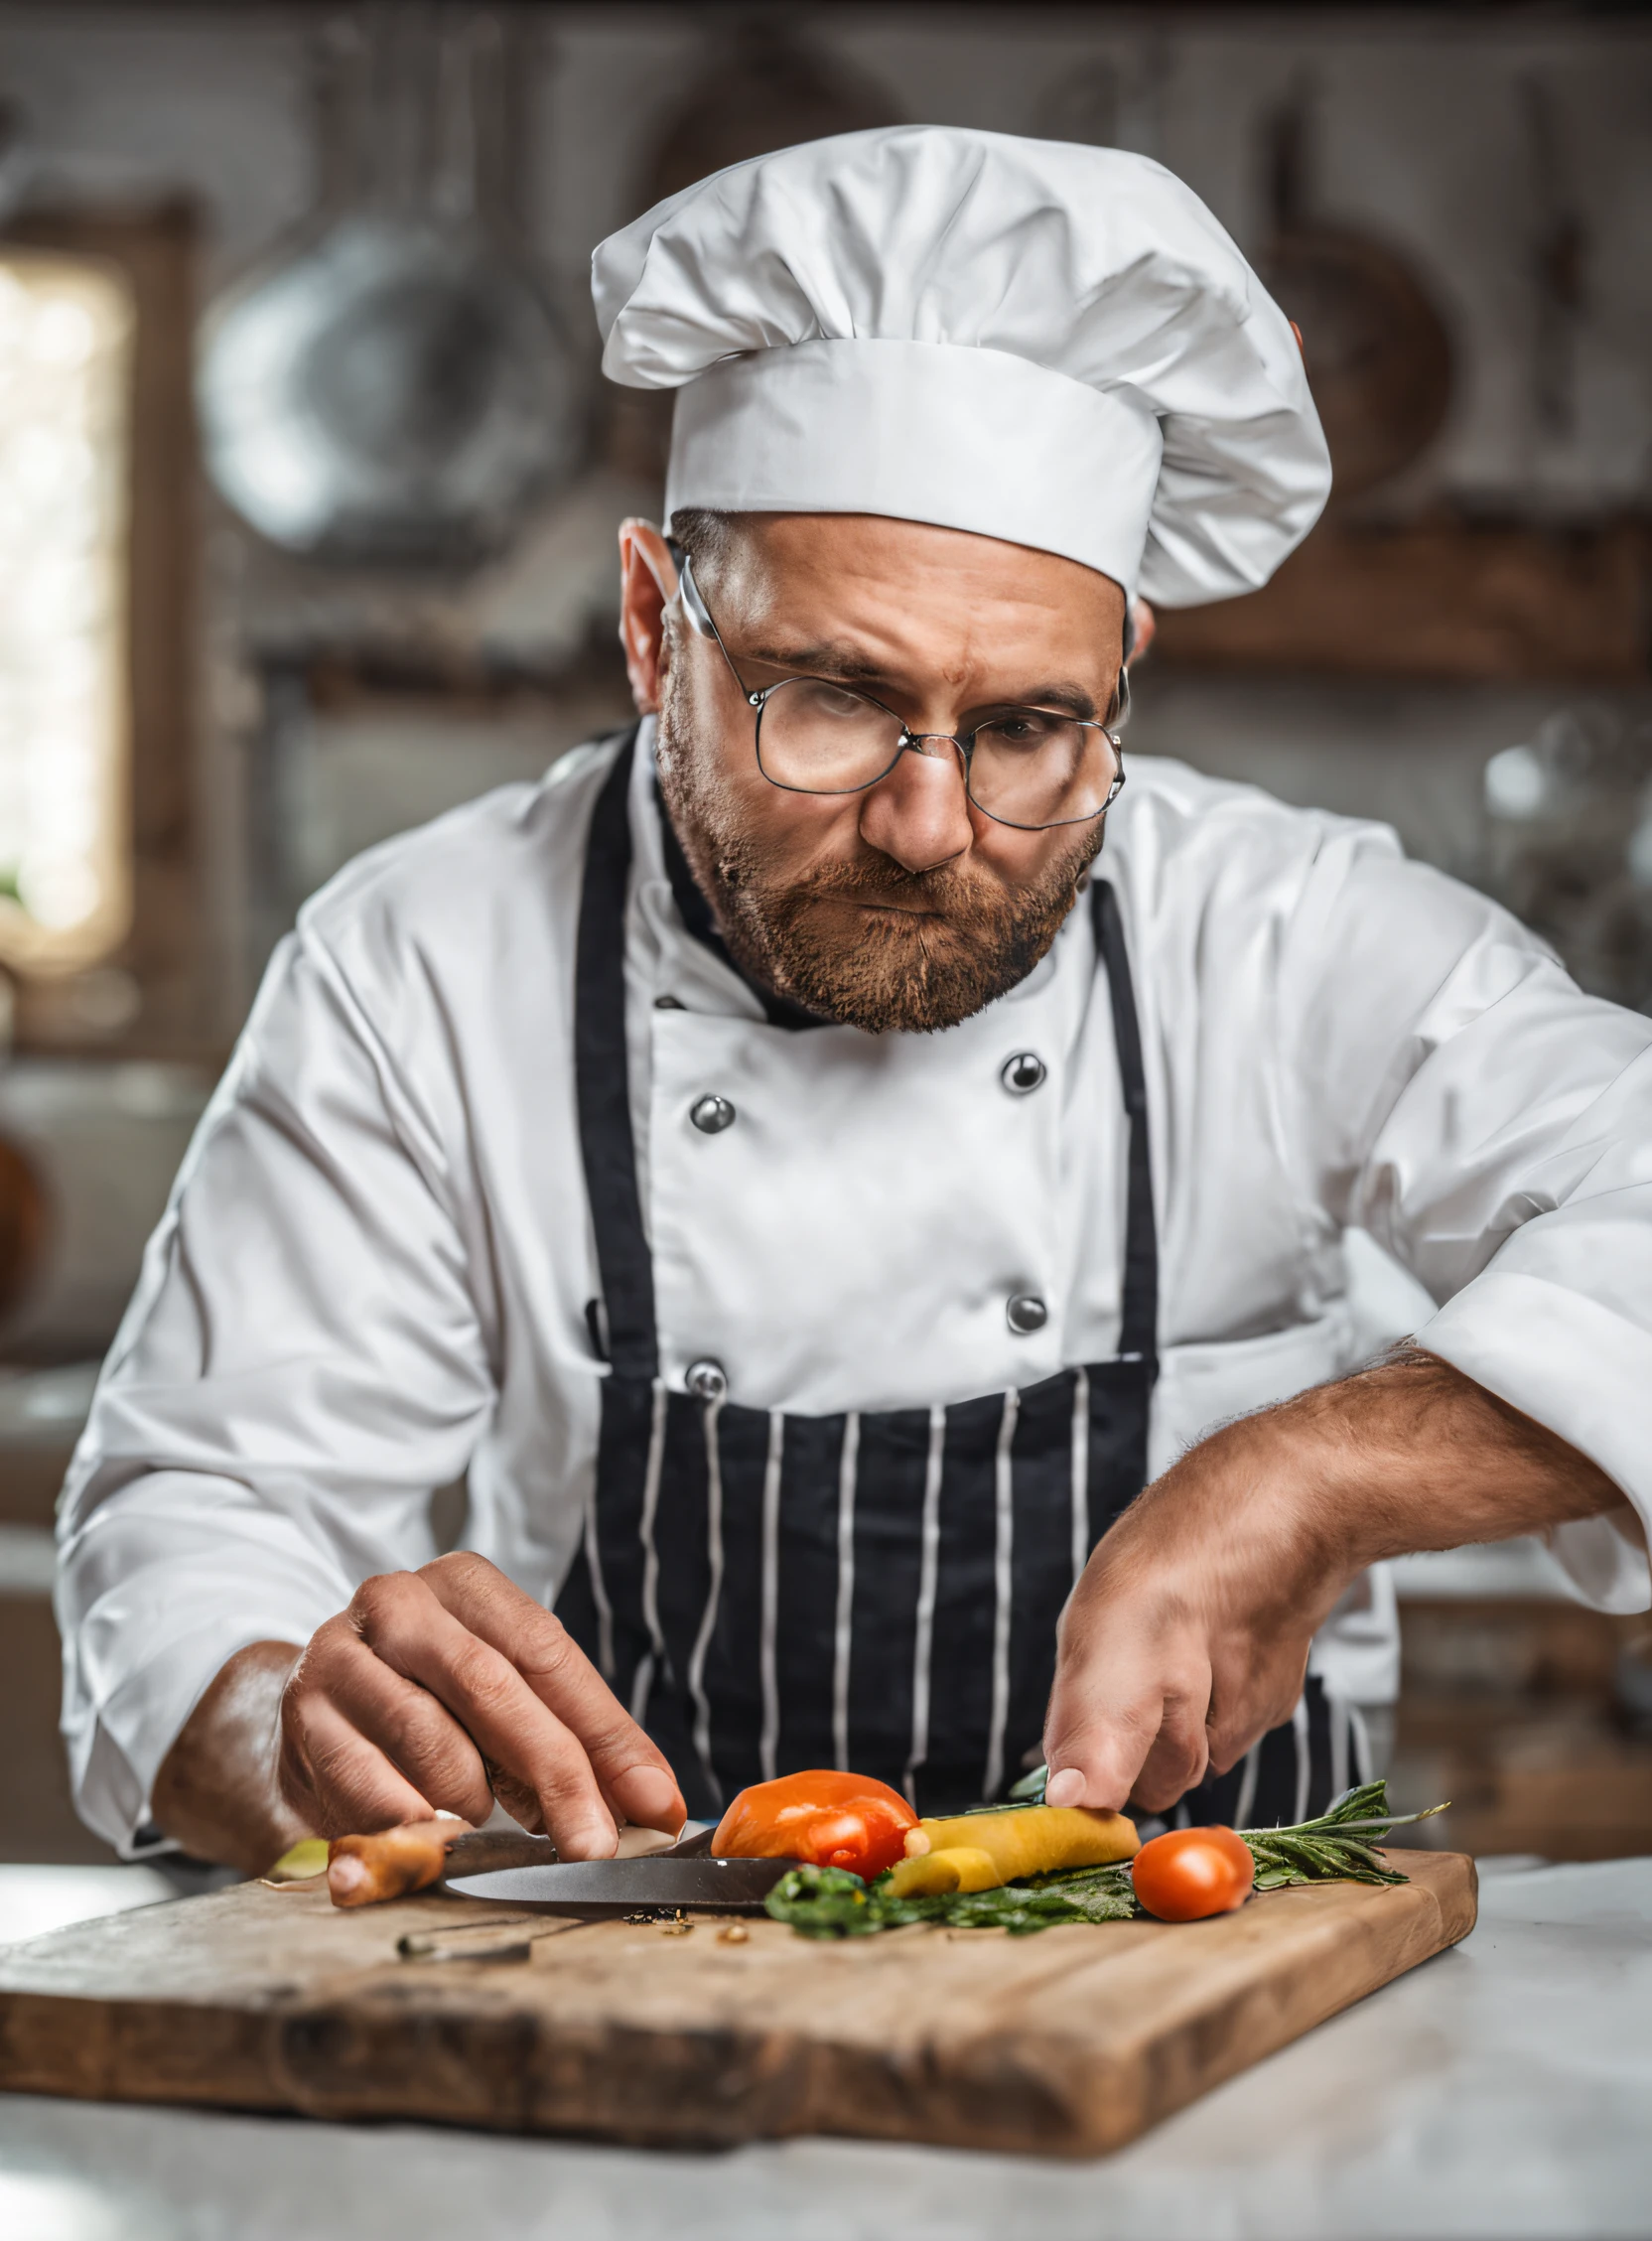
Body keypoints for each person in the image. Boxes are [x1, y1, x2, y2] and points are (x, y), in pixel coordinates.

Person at [59, 129, 1648, 1876]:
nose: (930, 822)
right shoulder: (419, 963)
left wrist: (1315, 1472)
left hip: (1218, 2019)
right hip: (636, 2015)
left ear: (1121, 684)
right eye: (831, 699)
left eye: (1032, 727)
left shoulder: (1285, 931)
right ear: (658, 626)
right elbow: (202, 1518)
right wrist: (287, 1720)